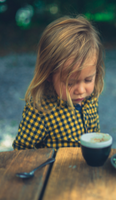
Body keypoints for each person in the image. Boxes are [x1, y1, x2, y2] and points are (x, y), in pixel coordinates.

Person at [12, 15, 105, 151]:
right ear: (49, 75)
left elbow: (94, 134)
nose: (80, 90)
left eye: (88, 80)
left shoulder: (90, 98)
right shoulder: (41, 110)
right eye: (70, 83)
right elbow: (22, 150)